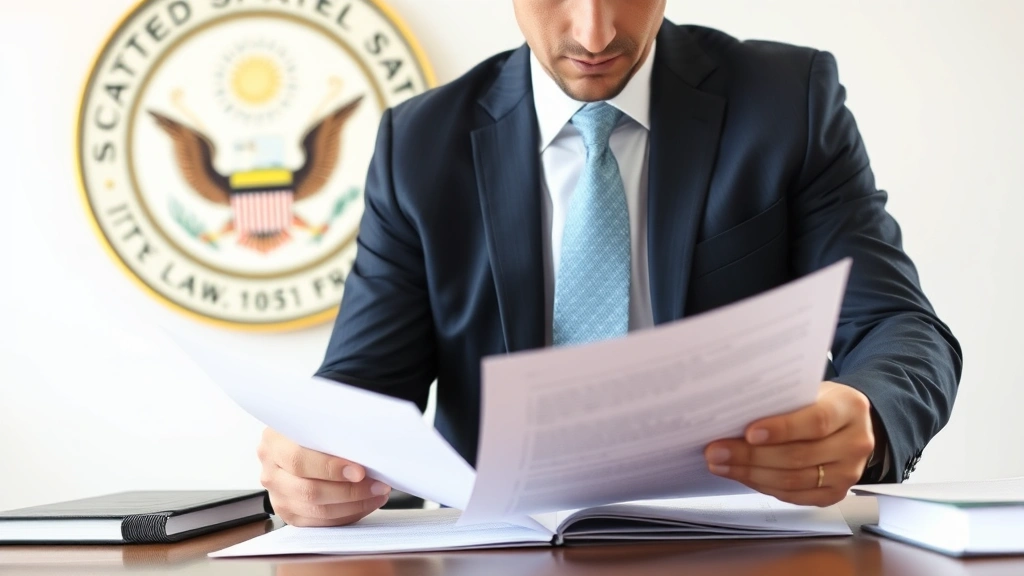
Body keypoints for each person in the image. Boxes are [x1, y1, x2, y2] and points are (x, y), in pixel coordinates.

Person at [257, 0, 962, 528]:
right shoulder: (419, 144)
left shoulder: (789, 103)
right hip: (500, 550)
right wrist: (315, 462)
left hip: (738, 542)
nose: (595, 34)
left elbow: (900, 328)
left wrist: (865, 413)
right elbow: (362, 394)